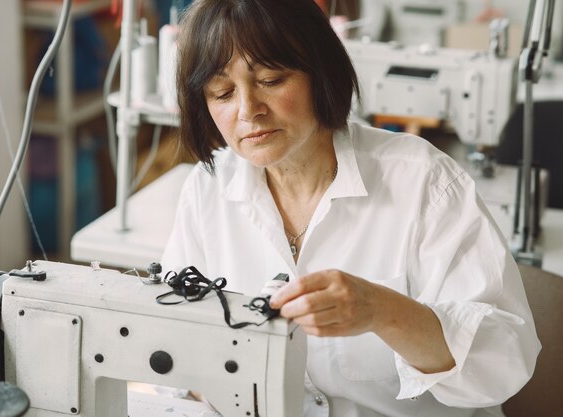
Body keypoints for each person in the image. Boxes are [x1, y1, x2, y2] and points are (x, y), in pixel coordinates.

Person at [161, 0, 541, 416]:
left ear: (319, 74)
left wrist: (384, 311)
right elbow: (176, 342)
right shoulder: (208, 189)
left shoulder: (423, 182)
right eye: (223, 92)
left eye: (270, 79)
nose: (249, 110)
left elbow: (504, 362)